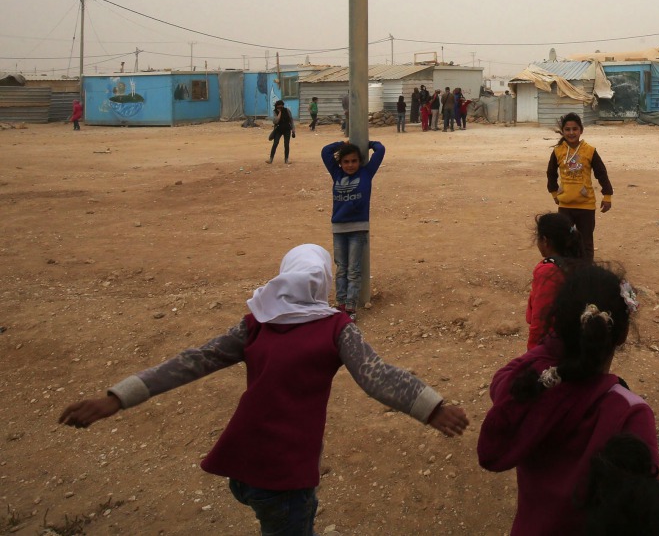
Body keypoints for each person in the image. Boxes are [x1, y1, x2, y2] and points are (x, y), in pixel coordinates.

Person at [58, 244, 468, 536]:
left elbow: (192, 361)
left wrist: (116, 397)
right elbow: (376, 375)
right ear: (324, 281)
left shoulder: (256, 321)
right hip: (285, 473)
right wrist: (431, 407)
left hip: (241, 464)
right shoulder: (336, 328)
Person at [478, 263, 653, 535]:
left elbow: (503, 378)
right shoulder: (630, 414)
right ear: (622, 334)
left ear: (557, 326)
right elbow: (644, 516)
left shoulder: (530, 389)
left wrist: (554, 343)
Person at [320, 139, 386, 319]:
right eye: (346, 161)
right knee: (341, 268)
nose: (350, 165)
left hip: (358, 228)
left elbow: (380, 150)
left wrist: (368, 143)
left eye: (354, 161)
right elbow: (326, 151)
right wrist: (342, 143)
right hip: (339, 229)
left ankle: (351, 307)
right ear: (340, 163)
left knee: (354, 270)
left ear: (360, 161)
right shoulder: (336, 174)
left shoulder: (366, 173)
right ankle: (340, 304)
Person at [546, 112, 613, 260]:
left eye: (575, 129)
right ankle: (567, 271)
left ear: (581, 130)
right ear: (563, 131)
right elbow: (551, 173)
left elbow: (601, 173)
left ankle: (587, 273)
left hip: (586, 206)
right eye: (567, 129)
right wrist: (554, 194)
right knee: (564, 240)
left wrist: (607, 196)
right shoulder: (558, 151)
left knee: (585, 242)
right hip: (565, 206)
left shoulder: (590, 151)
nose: (571, 133)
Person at [526, 212, 583, 350]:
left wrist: (532, 353)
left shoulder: (548, 272)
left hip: (553, 345)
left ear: (545, 241)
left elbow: (540, 320)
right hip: (574, 341)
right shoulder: (577, 263)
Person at [267, 100, 295, 164]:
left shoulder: (287, 110)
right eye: (278, 107)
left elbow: (291, 120)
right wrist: (279, 113)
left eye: (281, 106)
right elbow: (275, 121)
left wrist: (293, 129)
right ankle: (271, 159)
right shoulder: (275, 112)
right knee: (275, 143)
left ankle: (286, 159)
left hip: (287, 129)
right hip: (278, 130)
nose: (280, 108)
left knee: (286, 144)